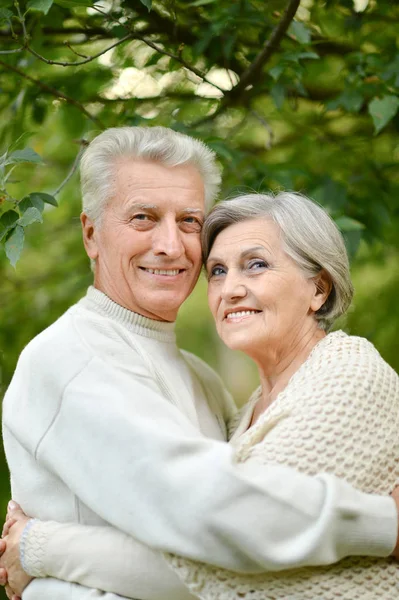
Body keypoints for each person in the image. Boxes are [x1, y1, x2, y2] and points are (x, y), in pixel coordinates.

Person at [1, 128, 398, 600]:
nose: (171, 245)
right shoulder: (70, 359)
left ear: (319, 288)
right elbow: (216, 535)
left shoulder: (204, 380)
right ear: (91, 234)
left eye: (189, 221)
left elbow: (223, 561)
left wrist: (36, 547)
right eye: (143, 218)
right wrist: (385, 524)